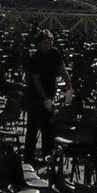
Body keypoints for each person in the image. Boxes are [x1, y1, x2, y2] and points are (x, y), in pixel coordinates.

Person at [23, 29, 70, 163]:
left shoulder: (55, 54)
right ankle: (28, 158)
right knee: (32, 129)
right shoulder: (35, 58)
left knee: (47, 128)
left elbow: (63, 71)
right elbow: (36, 81)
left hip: (50, 92)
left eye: (50, 43)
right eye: (45, 43)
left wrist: (69, 87)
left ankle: (46, 155)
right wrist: (45, 99)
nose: (48, 45)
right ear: (39, 44)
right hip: (35, 97)